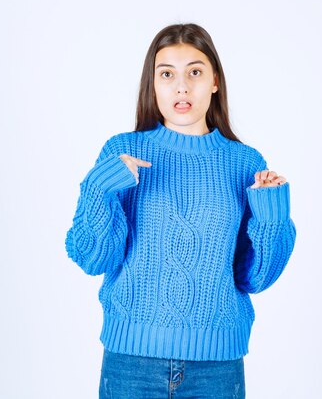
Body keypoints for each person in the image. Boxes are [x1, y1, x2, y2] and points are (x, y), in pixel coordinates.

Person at [64, 23, 297, 399]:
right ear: (152, 84)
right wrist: (99, 188)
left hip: (216, 368)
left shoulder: (244, 163)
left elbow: (255, 277)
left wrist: (271, 214)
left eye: (195, 71)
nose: (182, 86)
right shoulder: (122, 152)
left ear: (215, 82)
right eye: (167, 74)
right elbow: (93, 258)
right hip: (131, 363)